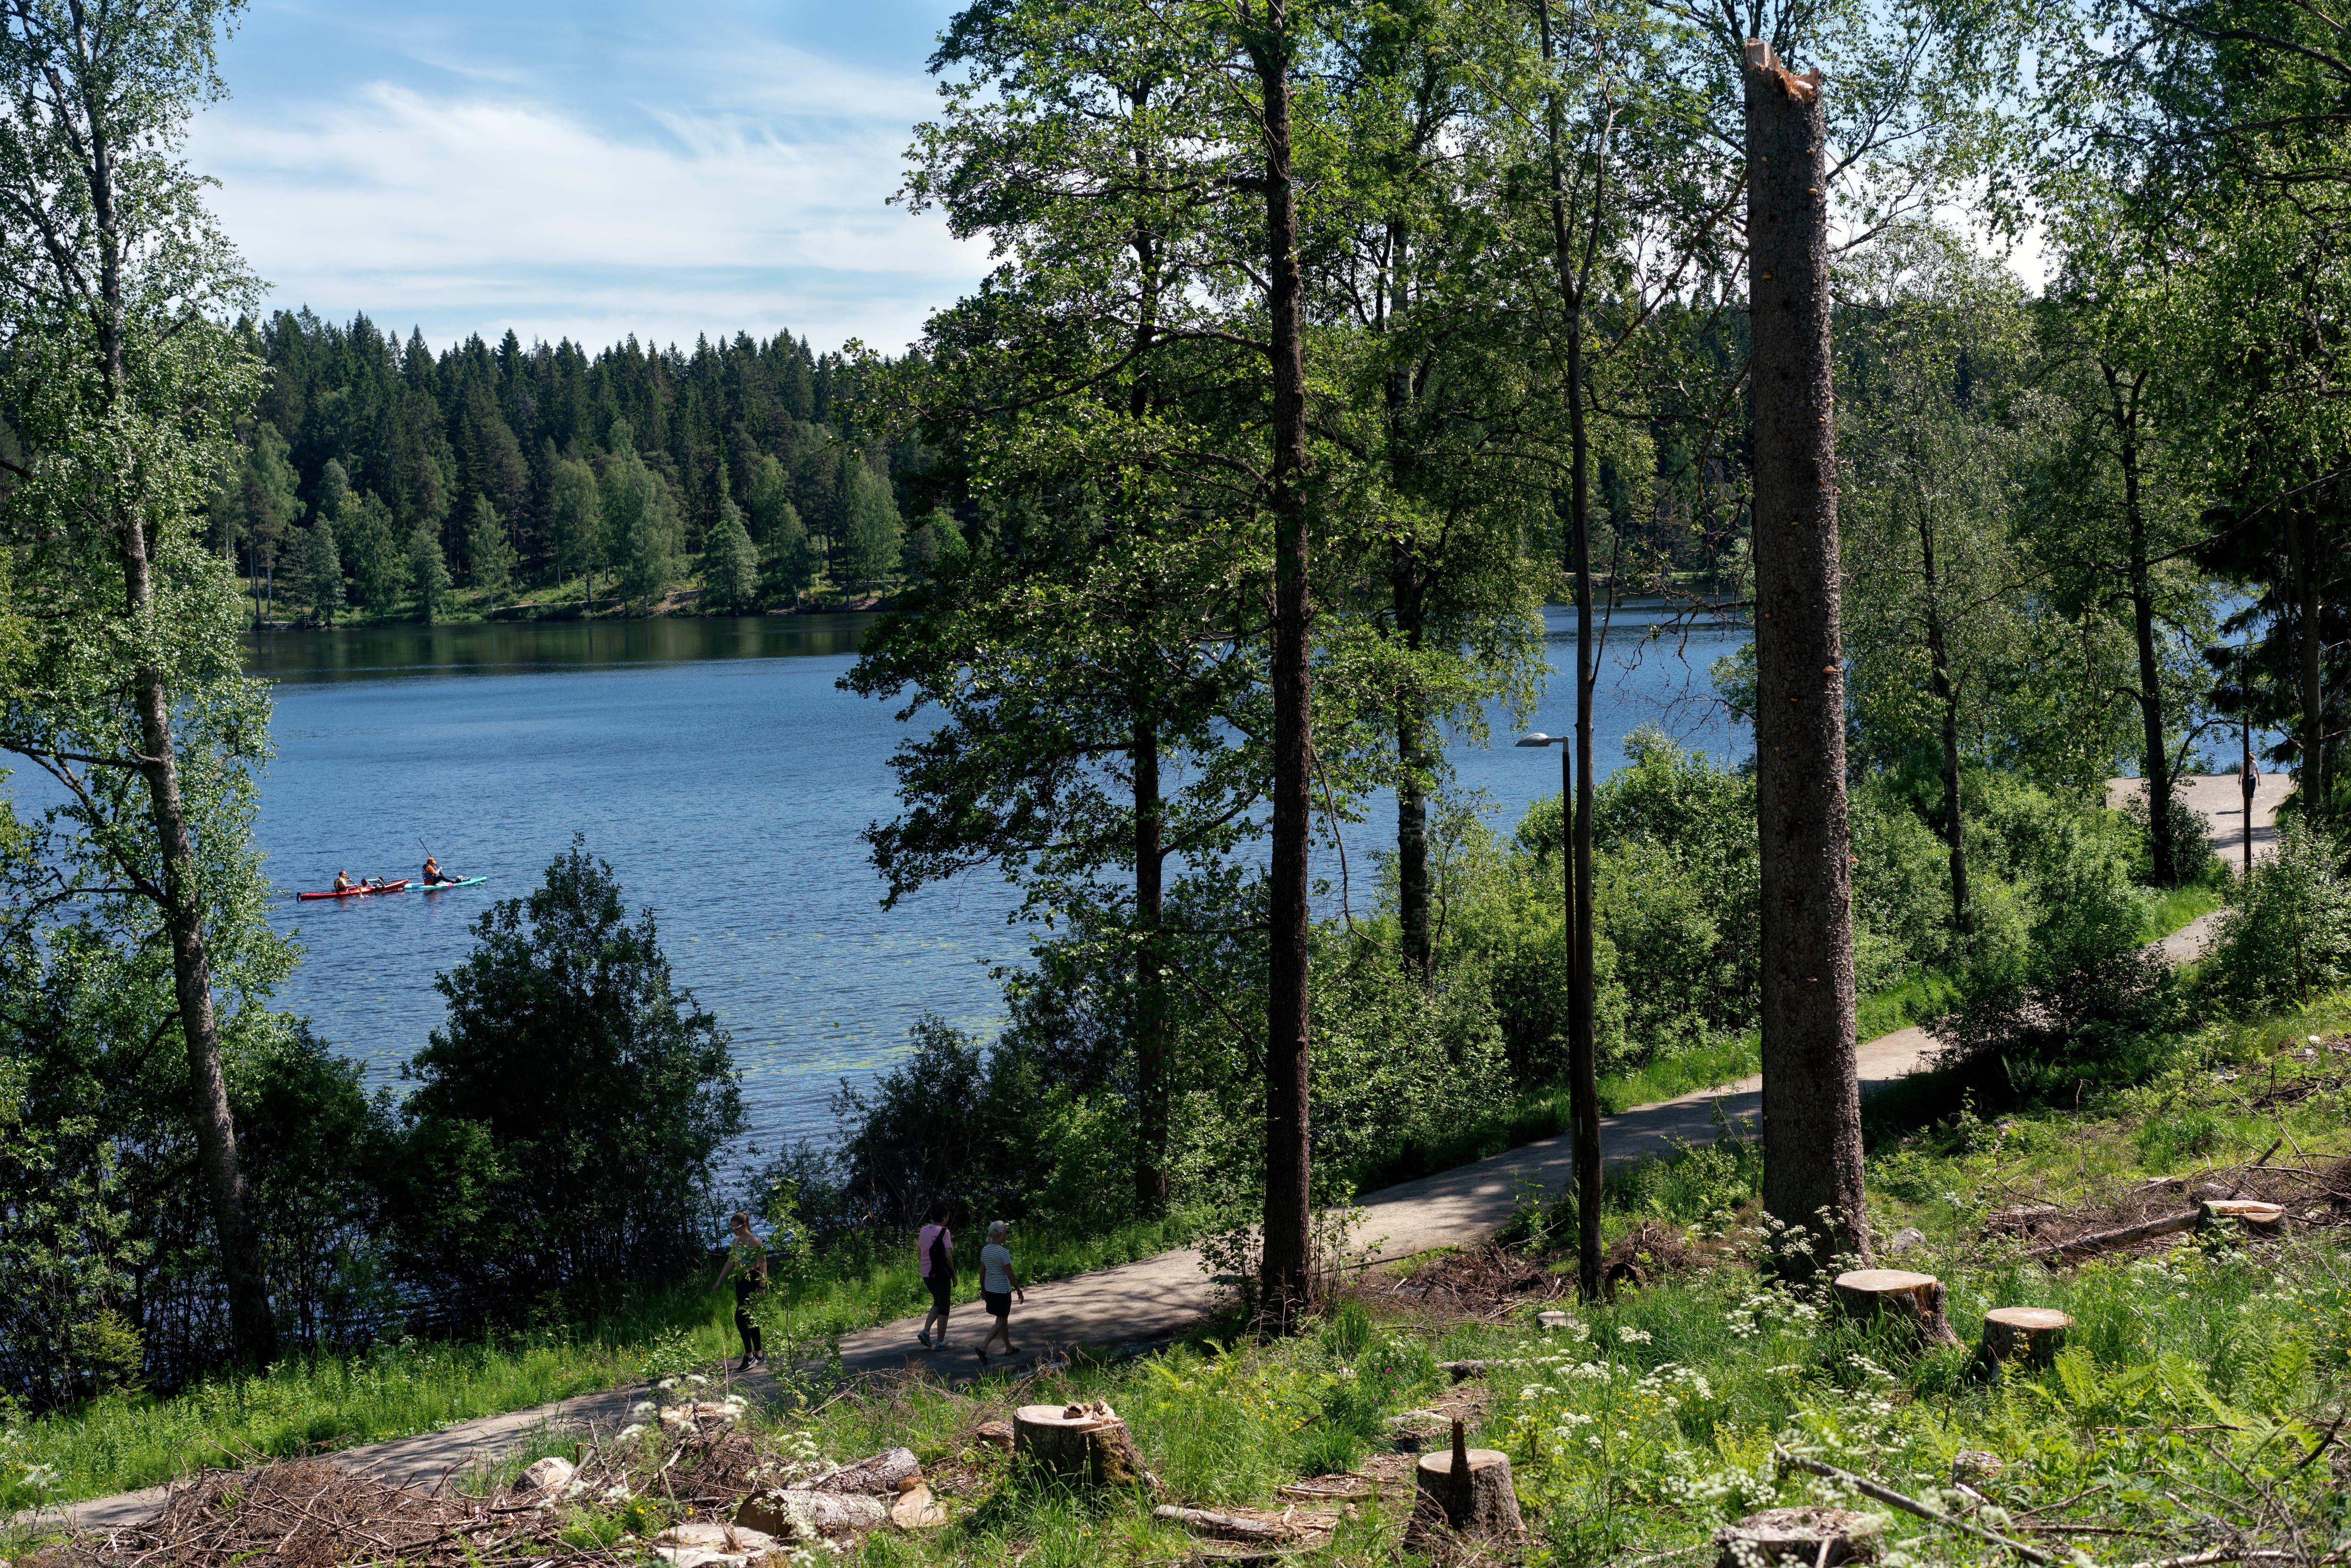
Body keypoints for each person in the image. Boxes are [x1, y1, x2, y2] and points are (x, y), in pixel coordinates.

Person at [711, 1211, 768, 1371]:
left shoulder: (755, 1241)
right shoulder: (736, 1241)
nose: (734, 1231)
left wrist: (762, 1288)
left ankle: (749, 1357)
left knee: (740, 1317)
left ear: (745, 1225)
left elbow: (763, 1265)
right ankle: (759, 1355)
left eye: (736, 1228)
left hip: (752, 1281)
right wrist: (719, 1280)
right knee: (750, 1318)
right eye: (732, 1229)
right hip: (740, 1281)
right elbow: (730, 1262)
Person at [974, 1220, 1024, 1365]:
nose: (1007, 1235)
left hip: (990, 1290)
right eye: (1006, 1232)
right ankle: (983, 1347)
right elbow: (1010, 1275)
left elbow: (982, 1272)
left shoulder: (985, 1250)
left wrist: (983, 1289)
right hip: (1002, 1292)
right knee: (1001, 1320)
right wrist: (1019, 1291)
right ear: (1001, 1235)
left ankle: (1009, 1348)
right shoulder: (1003, 1252)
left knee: (1003, 1319)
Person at [915, 1200, 955, 1350]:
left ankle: (926, 1332)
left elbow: (920, 1252)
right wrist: (953, 1275)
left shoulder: (924, 1230)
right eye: (948, 1215)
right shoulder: (945, 1232)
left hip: (926, 1274)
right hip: (941, 1274)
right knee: (944, 1307)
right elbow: (948, 1256)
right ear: (944, 1217)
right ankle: (940, 1342)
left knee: (938, 1301)